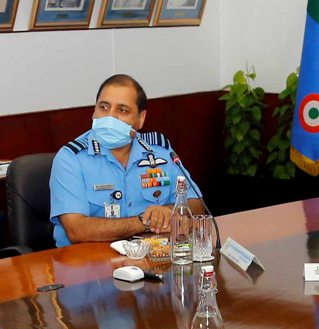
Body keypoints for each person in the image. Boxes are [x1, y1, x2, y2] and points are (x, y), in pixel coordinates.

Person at [49, 74, 205, 247]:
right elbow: (77, 230)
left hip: (150, 259)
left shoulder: (160, 152)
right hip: (88, 265)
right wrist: (145, 221)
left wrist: (167, 212)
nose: (110, 117)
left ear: (141, 119)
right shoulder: (70, 158)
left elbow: (196, 205)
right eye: (104, 107)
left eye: (122, 110)